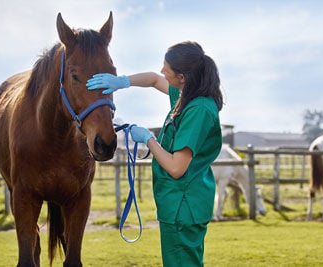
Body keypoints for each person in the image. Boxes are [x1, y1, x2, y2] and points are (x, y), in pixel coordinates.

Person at [87, 41, 223, 267]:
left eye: (166, 68)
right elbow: (152, 79)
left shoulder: (197, 109)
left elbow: (176, 167)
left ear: (182, 77)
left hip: (183, 204)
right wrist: (122, 82)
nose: (162, 71)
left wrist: (148, 139)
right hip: (180, 203)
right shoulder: (186, 96)